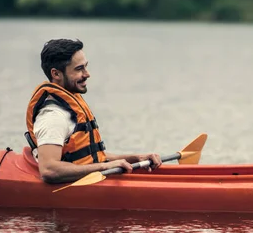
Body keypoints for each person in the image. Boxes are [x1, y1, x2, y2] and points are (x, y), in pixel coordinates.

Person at [26, 39, 161, 184]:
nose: (87, 74)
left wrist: (135, 158)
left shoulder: (72, 102)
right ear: (56, 74)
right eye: (79, 69)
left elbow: (91, 157)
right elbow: (49, 170)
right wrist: (104, 167)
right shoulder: (53, 116)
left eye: (86, 67)